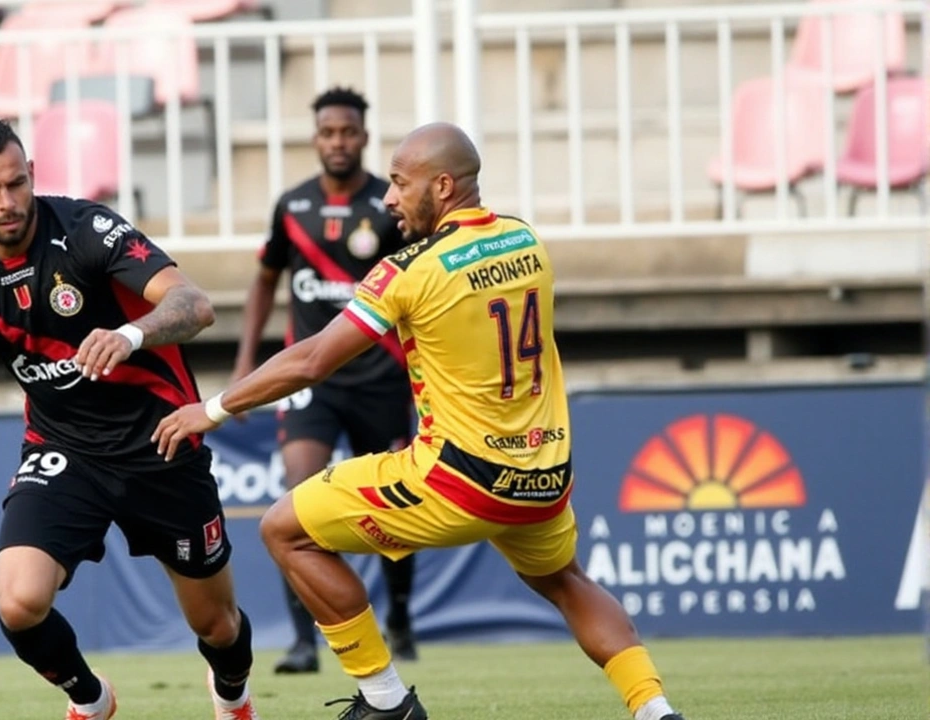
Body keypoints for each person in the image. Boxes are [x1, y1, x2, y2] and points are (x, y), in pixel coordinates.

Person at [153, 122, 687, 720]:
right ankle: (655, 709)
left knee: (284, 529)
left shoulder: (409, 269)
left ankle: (385, 701)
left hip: (458, 476)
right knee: (568, 582)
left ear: (442, 185)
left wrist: (215, 407)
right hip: (542, 475)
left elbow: (310, 360)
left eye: (400, 184)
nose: (387, 198)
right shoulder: (525, 240)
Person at [0, 116, 259, 720]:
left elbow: (193, 304)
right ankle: (92, 702)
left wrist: (132, 334)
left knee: (216, 624)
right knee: (18, 604)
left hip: (161, 442)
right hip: (65, 453)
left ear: (32, 173)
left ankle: (234, 700)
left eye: (16, 183)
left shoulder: (87, 230)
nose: (7, 202)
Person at [232, 86, 418, 674]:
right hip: (314, 380)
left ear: (364, 136)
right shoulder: (292, 207)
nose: (337, 141)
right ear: (315, 138)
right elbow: (265, 281)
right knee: (296, 492)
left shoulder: (390, 206)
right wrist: (244, 367)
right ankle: (305, 640)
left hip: (381, 375)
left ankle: (402, 618)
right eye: (327, 132)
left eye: (348, 132)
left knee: (395, 502)